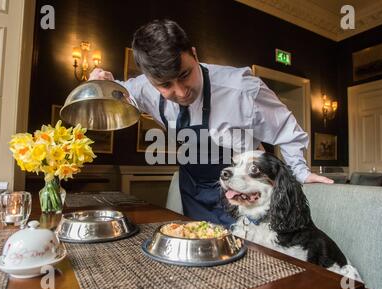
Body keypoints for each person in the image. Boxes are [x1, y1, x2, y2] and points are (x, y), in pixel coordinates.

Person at [89, 19, 333, 226]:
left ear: (194, 55)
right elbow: (121, 93)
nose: (181, 92)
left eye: (185, 75)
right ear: (151, 81)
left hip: (244, 190)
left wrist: (300, 172)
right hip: (193, 190)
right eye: (165, 85)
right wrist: (106, 84)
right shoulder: (144, 88)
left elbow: (286, 131)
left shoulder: (241, 89)